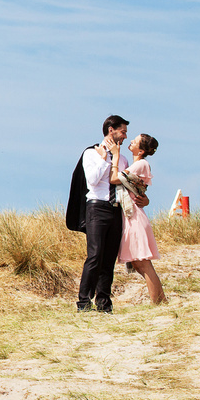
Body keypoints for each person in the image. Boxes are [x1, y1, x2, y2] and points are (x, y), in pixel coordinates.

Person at [66, 114, 147, 313]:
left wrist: (145, 199)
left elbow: (127, 185)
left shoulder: (125, 159)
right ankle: (83, 302)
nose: (126, 136)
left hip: (116, 209)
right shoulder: (91, 153)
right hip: (97, 207)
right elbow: (92, 181)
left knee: (109, 258)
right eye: (123, 131)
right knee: (95, 255)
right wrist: (105, 160)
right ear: (111, 130)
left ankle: (104, 303)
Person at [117, 134, 166, 305]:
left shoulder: (141, 164)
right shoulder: (137, 165)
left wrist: (115, 155)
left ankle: (159, 303)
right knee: (139, 264)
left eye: (135, 141)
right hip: (133, 216)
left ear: (142, 150)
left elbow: (118, 178)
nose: (131, 141)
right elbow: (139, 189)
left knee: (144, 264)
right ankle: (160, 301)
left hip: (135, 218)